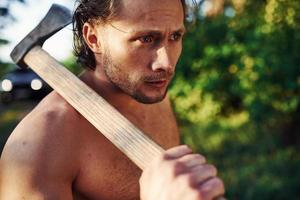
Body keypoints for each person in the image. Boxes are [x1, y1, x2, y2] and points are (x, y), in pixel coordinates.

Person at [0, 0, 225, 199]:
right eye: (146, 38)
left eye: (175, 36)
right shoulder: (38, 147)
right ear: (93, 38)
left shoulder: (154, 96)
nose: (165, 63)